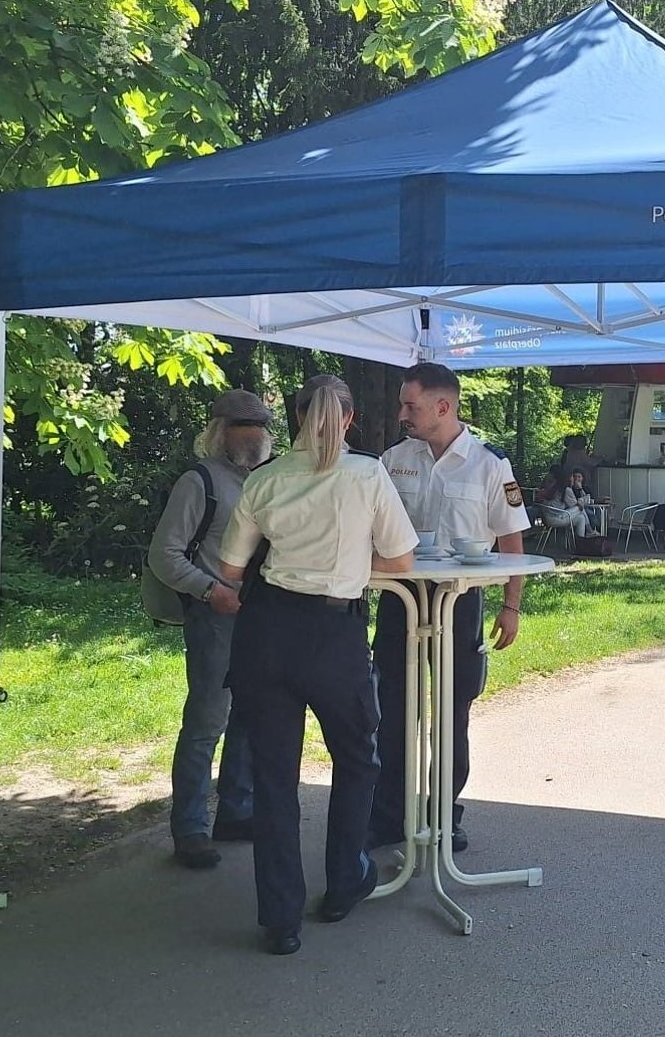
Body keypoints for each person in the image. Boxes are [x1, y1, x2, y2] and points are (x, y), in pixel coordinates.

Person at [215, 375, 417, 955]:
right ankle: (344, 879)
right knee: (357, 757)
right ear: (348, 420)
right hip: (334, 632)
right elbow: (401, 558)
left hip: (268, 633)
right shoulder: (367, 474)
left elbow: (231, 572)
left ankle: (280, 920)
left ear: (297, 418)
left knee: (274, 778)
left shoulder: (265, 477)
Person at [371, 362, 531, 855]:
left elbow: (510, 537)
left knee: (451, 710)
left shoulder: (489, 463)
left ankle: (445, 813)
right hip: (402, 599)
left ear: (444, 406)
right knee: (393, 709)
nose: (402, 414)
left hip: (459, 600)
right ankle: (389, 815)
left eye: (411, 405)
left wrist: (510, 605)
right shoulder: (393, 460)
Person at [146, 390, 273, 869]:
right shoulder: (198, 482)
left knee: (249, 715)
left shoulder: (271, 479)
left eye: (260, 426)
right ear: (220, 431)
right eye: (244, 426)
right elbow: (165, 554)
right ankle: (191, 829)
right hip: (214, 617)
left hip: (260, 616)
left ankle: (237, 812)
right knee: (205, 723)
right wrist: (209, 591)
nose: (254, 435)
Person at [546, 468, 603, 537]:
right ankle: (589, 530)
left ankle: (580, 541)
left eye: (578, 477)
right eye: (573, 476)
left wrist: (581, 497)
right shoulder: (567, 489)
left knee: (581, 518)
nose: (575, 479)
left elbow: (581, 502)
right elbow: (577, 505)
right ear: (568, 478)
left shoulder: (558, 487)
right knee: (580, 509)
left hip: (555, 515)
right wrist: (581, 502)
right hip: (556, 517)